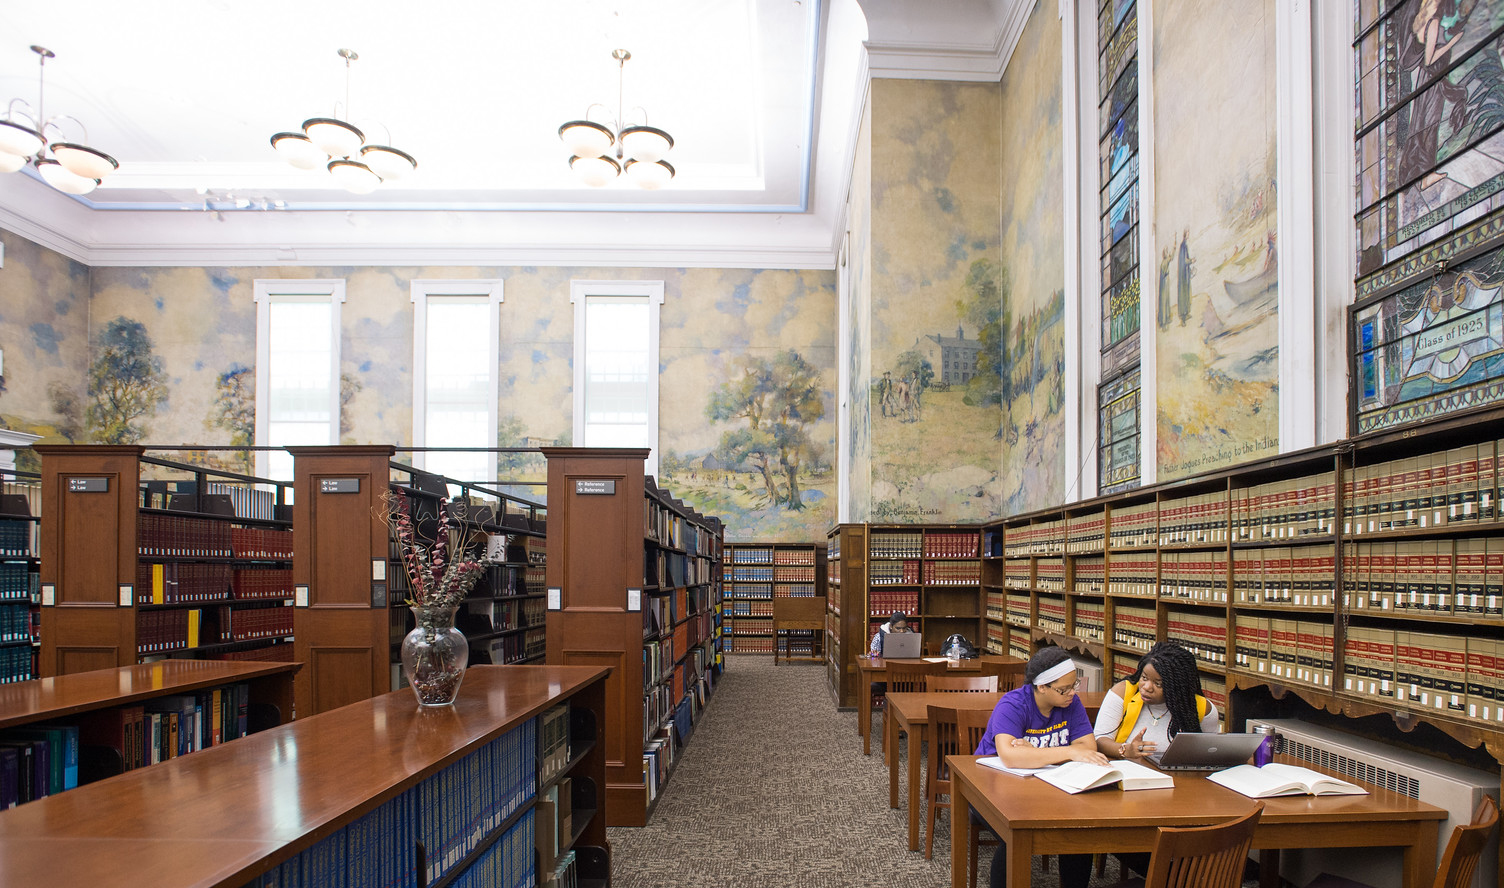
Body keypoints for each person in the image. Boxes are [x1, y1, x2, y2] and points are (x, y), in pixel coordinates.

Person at [974, 646, 1105, 888]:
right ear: (1041, 687)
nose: (1072, 694)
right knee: (1013, 836)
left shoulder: (1070, 704)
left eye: (1074, 685)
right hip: (990, 787)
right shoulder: (1013, 704)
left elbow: (1088, 747)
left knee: (1078, 832)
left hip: (1047, 786)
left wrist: (1034, 754)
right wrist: (1068, 751)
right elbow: (1010, 757)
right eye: (1064, 689)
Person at [1092, 641, 1219, 879]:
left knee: (1204, 836)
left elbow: (1205, 753)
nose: (1147, 687)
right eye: (1144, 678)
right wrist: (1125, 750)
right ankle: (1175, 877)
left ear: (1178, 686)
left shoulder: (1202, 709)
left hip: (1179, 796)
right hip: (1127, 794)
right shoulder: (1123, 693)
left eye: (1158, 684)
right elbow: (1099, 739)